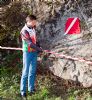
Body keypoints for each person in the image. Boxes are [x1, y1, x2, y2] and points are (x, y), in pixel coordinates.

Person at [20, 15, 43, 98]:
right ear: (29, 21)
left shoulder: (33, 28)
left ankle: (31, 89)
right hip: (27, 53)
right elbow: (29, 43)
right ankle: (23, 91)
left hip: (34, 53)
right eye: (34, 22)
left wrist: (39, 46)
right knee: (25, 72)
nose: (35, 23)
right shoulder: (24, 31)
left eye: (35, 22)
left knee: (32, 71)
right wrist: (39, 49)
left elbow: (34, 40)